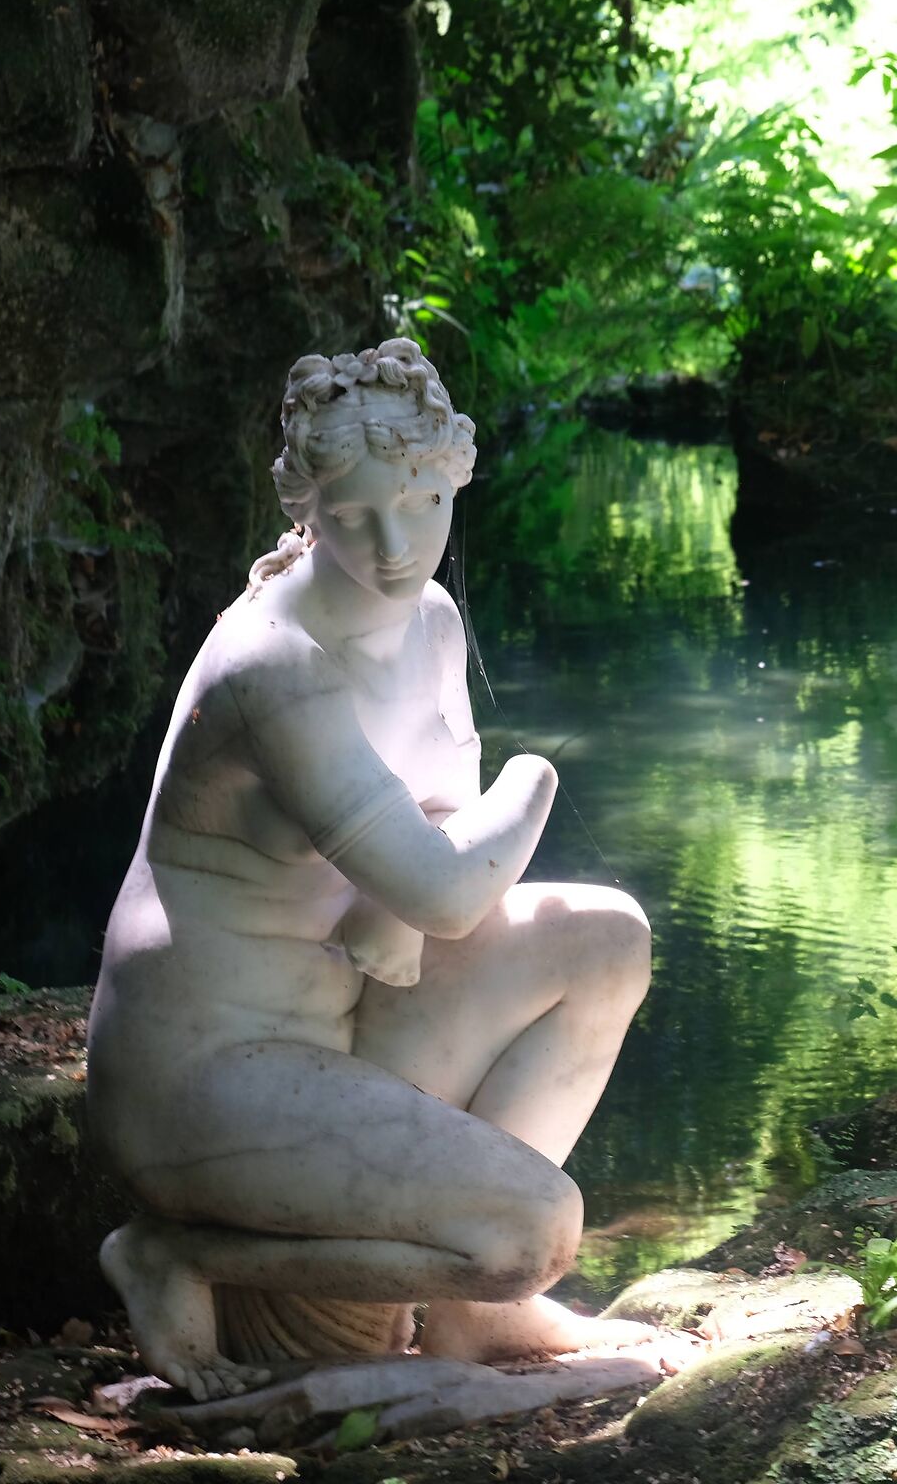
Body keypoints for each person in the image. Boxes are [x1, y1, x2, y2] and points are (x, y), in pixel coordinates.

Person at [86, 340, 660, 1401]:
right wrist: (533, 777)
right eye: (354, 516)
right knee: (534, 1230)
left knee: (608, 941)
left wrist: (409, 898)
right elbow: (450, 885)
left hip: (348, 1000)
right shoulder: (275, 668)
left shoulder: (430, 620)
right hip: (212, 1067)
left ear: (452, 478)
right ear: (307, 511)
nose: (397, 546)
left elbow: (442, 829)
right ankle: (176, 1254)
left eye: (420, 502)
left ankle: (474, 1313)